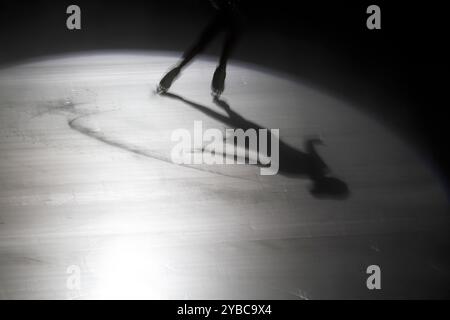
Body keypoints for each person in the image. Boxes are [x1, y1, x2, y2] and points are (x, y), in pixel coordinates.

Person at [157, 0, 243, 98]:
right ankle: (218, 84)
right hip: (234, 16)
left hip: (230, 15)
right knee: (222, 54)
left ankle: (175, 72)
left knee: (201, 46)